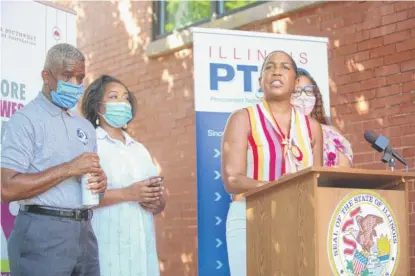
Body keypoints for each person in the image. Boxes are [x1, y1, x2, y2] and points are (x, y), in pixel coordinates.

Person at [1, 43, 108, 276]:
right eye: (67, 76)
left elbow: (91, 187)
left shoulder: (85, 127)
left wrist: (100, 184)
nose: (75, 84)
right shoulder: (25, 121)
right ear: (46, 76)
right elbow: (7, 187)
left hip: (85, 231)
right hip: (41, 232)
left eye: (79, 78)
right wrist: (69, 168)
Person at [221, 51, 323, 276]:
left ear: (296, 82)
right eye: (269, 67)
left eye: (285, 67)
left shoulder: (312, 127)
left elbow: (318, 182)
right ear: (260, 81)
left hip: (299, 221)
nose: (276, 71)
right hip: (250, 219)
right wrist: (279, 186)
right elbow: (232, 180)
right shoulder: (242, 118)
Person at [81, 75, 165, 276]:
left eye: (126, 98)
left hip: (142, 253)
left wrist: (157, 202)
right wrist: (128, 194)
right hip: (107, 252)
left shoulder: (139, 149)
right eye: (113, 97)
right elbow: (82, 199)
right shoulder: (90, 146)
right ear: (98, 107)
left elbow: (160, 200)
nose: (123, 102)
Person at [291, 68, 353, 167]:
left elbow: (346, 166)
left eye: (308, 91)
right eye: (296, 91)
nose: (303, 96)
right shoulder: (284, 134)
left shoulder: (331, 133)